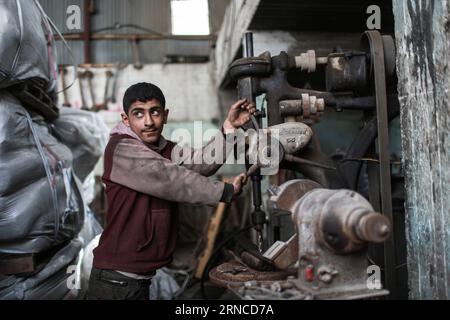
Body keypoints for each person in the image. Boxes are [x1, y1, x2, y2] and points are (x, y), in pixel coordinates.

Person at [87, 82, 256, 299]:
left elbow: (201, 162)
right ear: (126, 120)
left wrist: (229, 129)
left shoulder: (163, 148)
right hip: (116, 281)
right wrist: (225, 190)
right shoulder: (122, 148)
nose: (148, 122)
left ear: (165, 115)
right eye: (138, 114)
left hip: (136, 278)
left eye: (154, 112)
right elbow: (171, 179)